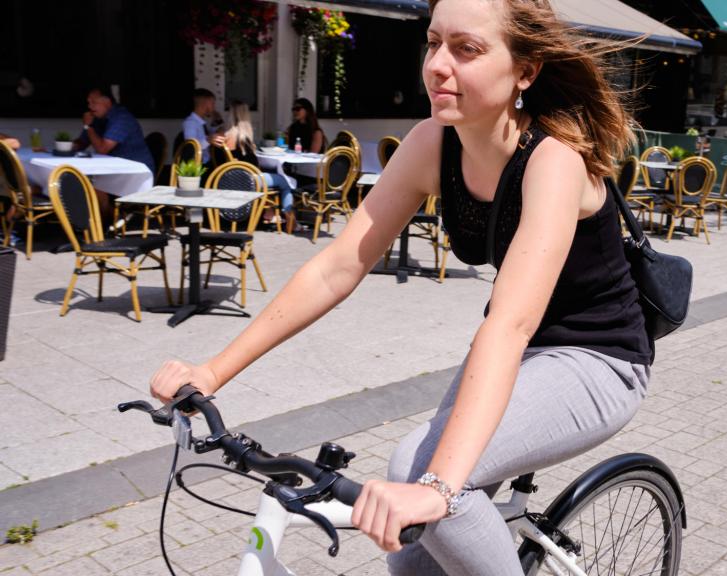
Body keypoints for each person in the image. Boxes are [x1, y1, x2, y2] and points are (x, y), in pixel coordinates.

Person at [149, 0, 651, 574]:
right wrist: (212, 372)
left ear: (526, 70)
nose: (438, 65)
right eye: (433, 43)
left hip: (597, 358)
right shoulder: (433, 143)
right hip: (517, 351)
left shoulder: (554, 161)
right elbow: (337, 267)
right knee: (415, 558)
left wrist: (438, 485)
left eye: (467, 49)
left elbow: (509, 323)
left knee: (421, 471)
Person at [74, 87, 156, 223]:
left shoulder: (121, 118)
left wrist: (88, 127)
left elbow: (102, 148)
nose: (90, 107)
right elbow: (82, 142)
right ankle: (101, 221)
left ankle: (109, 220)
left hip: (135, 173)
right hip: (113, 170)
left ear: (107, 102)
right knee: (84, 180)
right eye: (88, 103)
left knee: (91, 184)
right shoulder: (98, 118)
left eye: (94, 102)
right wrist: (64, 146)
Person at [222, 100, 296, 228]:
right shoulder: (243, 139)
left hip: (229, 179)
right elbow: (253, 166)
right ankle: (290, 218)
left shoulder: (224, 137)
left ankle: (269, 211)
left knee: (273, 175)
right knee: (284, 181)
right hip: (247, 180)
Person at [183, 88, 225, 165]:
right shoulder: (190, 122)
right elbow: (191, 147)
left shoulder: (199, 121)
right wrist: (208, 140)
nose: (214, 107)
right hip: (199, 166)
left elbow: (205, 136)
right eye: (212, 104)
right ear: (205, 104)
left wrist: (217, 126)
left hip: (207, 161)